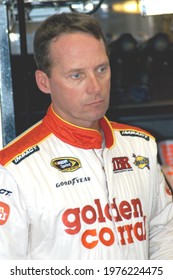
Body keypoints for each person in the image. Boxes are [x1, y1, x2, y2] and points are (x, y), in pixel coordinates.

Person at [0, 12, 173, 260]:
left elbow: (164, 232)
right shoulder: (12, 170)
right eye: (77, 75)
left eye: (101, 69)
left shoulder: (141, 146)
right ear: (44, 82)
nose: (95, 87)